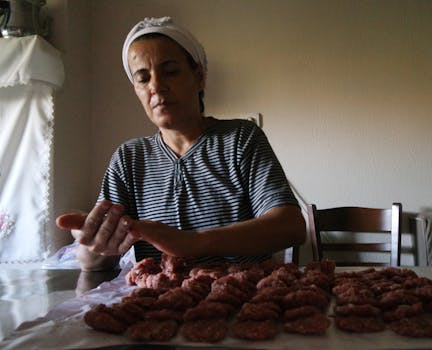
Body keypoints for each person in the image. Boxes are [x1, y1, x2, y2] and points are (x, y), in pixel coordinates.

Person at [56, 17, 305, 271]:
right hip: (158, 306)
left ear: (199, 77)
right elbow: (94, 262)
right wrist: (93, 244)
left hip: (241, 299)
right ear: (136, 91)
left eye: (171, 71)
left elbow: (290, 226)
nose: (156, 86)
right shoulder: (129, 158)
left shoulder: (240, 139)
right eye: (143, 78)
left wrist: (194, 242)